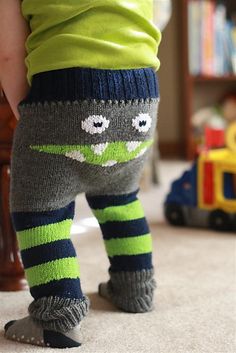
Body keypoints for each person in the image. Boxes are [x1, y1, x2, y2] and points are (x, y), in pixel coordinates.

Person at [0, 0, 161, 348]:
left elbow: (9, 55)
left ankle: (57, 316)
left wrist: (27, 114)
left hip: (63, 93)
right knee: (120, 196)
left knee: (39, 207)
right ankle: (134, 288)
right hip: (142, 97)